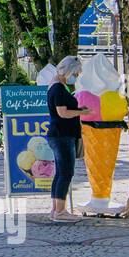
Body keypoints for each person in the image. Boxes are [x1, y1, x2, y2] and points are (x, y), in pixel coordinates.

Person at [47, 55, 88, 223]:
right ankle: (60, 211)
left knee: (60, 173)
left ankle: (56, 209)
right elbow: (62, 112)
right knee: (66, 173)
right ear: (69, 70)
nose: (76, 77)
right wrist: (82, 112)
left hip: (60, 134)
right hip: (62, 135)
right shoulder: (58, 88)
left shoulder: (56, 86)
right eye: (76, 73)